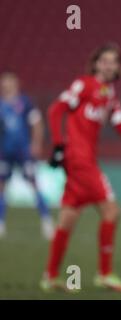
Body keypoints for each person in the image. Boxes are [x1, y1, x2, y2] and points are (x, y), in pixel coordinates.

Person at [40, 43, 121, 292]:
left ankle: (49, 277)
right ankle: (105, 274)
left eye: (113, 61)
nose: (108, 64)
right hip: (79, 159)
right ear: (95, 64)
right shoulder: (83, 84)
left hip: (81, 161)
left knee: (67, 219)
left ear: (118, 67)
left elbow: (120, 124)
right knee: (112, 212)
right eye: (104, 60)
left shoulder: (110, 93)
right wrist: (58, 145)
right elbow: (55, 110)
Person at [0, 70, 53, 239]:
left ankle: (47, 221)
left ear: (16, 83)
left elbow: (37, 123)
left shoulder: (25, 102)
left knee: (34, 184)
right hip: (4, 152)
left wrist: (36, 143)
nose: (6, 84)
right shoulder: (0, 104)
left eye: (9, 81)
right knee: (1, 187)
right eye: (4, 81)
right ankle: (1, 224)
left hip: (23, 151)